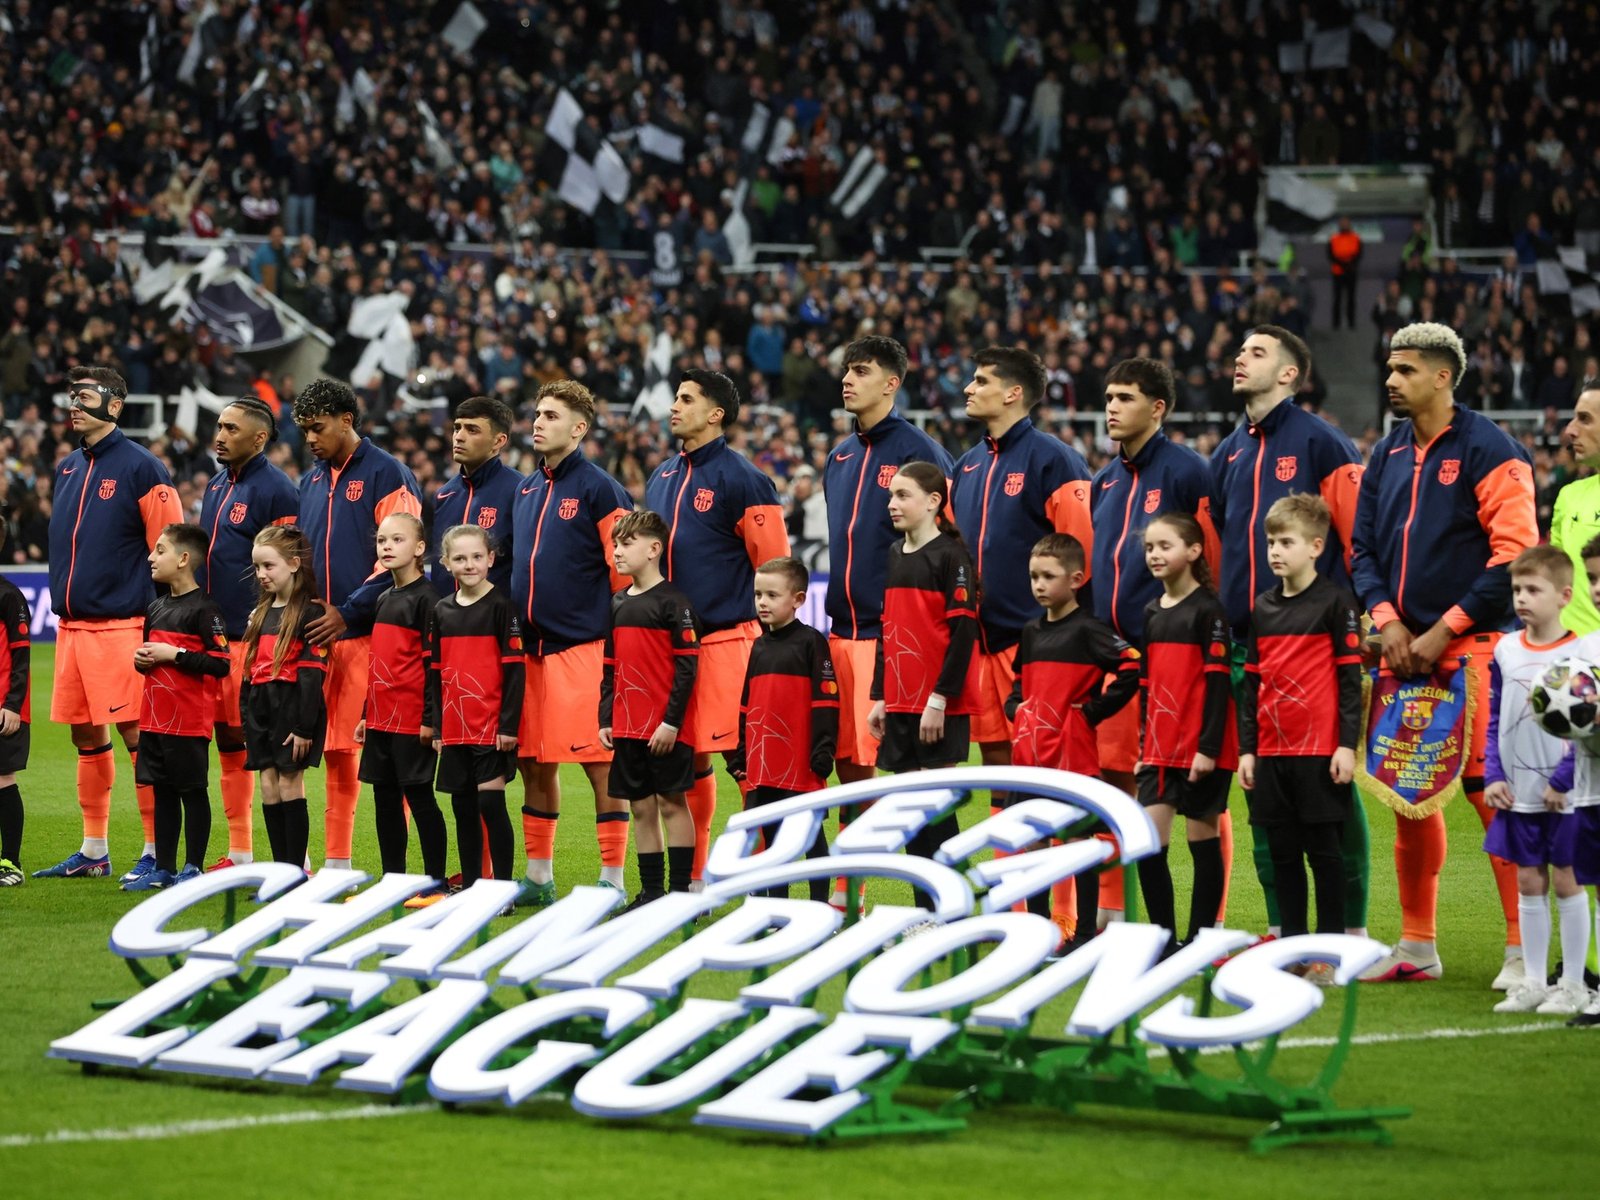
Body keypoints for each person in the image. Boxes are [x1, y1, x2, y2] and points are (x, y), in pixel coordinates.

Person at [1352, 322, 1538, 984]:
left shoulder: (1493, 449)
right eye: (1390, 369)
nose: (1392, 380)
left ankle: (1523, 950)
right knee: (1412, 791)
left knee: (1490, 793)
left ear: (1442, 376)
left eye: (1405, 370)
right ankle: (1418, 947)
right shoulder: (1386, 453)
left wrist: (1442, 630)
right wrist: (1389, 622)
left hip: (1475, 649)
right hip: (1401, 653)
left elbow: (1514, 555)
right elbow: (1363, 549)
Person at [1213, 325, 1369, 941]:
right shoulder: (1228, 452)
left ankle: (1348, 930)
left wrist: (1356, 624)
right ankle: (1282, 926)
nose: (1238, 359)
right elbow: (1225, 546)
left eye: (1255, 353)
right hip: (1249, 644)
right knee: (1263, 792)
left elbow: (1357, 540)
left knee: (1333, 792)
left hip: (1314, 643)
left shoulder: (1323, 443)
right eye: (1240, 351)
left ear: (1287, 374)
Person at [35, 368, 183, 881]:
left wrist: (163, 625)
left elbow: (171, 552)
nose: (74, 405)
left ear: (115, 406)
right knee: (85, 736)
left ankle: (151, 850)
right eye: (71, 396)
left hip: (123, 625)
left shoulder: (144, 468)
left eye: (85, 396)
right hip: (72, 627)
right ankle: (94, 850)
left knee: (139, 736)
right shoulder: (68, 467)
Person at [644, 369, 789, 887]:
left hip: (728, 642)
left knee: (747, 764)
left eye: (686, 399)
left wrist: (778, 645)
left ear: (716, 414)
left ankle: (770, 881)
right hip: (671, 647)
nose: (674, 407)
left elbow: (774, 566)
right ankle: (697, 873)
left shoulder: (745, 478)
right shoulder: (660, 477)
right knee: (685, 760)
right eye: (676, 398)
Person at [1092, 356, 1222, 931]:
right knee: (1122, 790)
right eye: (1109, 397)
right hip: (1115, 658)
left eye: (1125, 397)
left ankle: (1207, 925)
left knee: (1201, 804)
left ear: (1158, 407)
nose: (1112, 408)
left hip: (1178, 660)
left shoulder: (1188, 471)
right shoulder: (1104, 480)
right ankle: (1124, 918)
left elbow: (1210, 558)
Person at [951, 347, 1093, 802]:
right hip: (981, 642)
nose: (969, 389)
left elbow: (1081, 557)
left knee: (1047, 770)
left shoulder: (1057, 461)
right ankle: (1010, 874)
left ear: (1013, 393)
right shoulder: (966, 464)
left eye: (980, 381)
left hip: (1034, 643)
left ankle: (1060, 874)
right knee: (997, 763)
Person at [293, 379, 423, 871]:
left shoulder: (387, 474)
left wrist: (348, 609)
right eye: (304, 429)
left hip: (373, 634)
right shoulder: (312, 479)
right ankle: (338, 864)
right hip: (320, 633)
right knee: (332, 751)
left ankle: (401, 867)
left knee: (384, 753)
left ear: (347, 419)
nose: (310, 438)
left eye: (318, 427)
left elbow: (398, 559)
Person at [512, 381, 633, 905]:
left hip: (583, 651)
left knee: (600, 765)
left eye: (552, 415)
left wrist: (616, 647)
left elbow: (626, 573)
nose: (538, 422)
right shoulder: (526, 488)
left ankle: (612, 880)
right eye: (537, 413)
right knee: (534, 764)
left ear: (579, 428)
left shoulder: (601, 489)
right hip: (531, 654)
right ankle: (539, 877)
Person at [1237, 496, 1362, 981]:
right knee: (1284, 856)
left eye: (1285, 542)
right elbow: (1251, 686)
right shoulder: (1262, 608)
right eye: (1271, 541)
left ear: (1315, 546)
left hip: (1318, 752)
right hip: (1271, 753)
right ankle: (1290, 951)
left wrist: (1346, 745)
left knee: (1325, 856)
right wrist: (1248, 749)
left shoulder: (1335, 603)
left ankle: (1328, 957)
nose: (1275, 551)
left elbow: (1350, 684)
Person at [823, 336, 954, 790]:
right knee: (849, 766)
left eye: (861, 371)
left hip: (895, 637)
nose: (846, 379)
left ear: (891, 383)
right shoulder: (838, 456)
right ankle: (851, 864)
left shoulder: (922, 453)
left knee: (903, 770)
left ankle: (922, 859)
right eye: (846, 370)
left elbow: (950, 546)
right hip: (841, 632)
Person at [1004, 533, 1140, 940]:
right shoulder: (1030, 631)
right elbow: (1017, 685)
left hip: (1073, 757)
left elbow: (1132, 666)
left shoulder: (1088, 631)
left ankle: (1083, 934)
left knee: (1079, 843)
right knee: (1034, 843)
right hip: (1030, 758)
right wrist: (1017, 710)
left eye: (1049, 576)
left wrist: (1092, 712)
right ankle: (1038, 932)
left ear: (1077, 579)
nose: (1039, 585)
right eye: (1034, 577)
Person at [1482, 546, 1590, 1015]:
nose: (1522, 598)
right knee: (1528, 880)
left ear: (1564, 595)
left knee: (1567, 881)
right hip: (1518, 791)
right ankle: (1532, 981)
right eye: (1517, 590)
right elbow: (1495, 717)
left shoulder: (1584, 652)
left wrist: (1563, 780)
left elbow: (1587, 728)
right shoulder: (1505, 649)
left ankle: (1573, 984)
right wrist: (1492, 773)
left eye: (1533, 590)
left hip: (1564, 795)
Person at [868, 462, 980, 912]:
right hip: (899, 703)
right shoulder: (895, 553)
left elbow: (963, 634)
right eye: (891, 495)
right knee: (910, 815)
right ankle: (926, 911)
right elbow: (888, 629)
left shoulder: (951, 557)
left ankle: (951, 910)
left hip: (937, 706)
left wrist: (939, 698)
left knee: (935, 810)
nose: (892, 503)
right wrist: (881, 695)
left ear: (933, 502)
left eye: (903, 495)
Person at [197, 395, 299, 871]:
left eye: (231, 428)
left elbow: (289, 567)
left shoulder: (277, 490)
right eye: (219, 426)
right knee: (230, 746)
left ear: (259, 437)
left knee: (264, 750)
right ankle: (240, 851)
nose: (220, 435)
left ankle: (293, 860)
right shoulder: (218, 485)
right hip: (216, 637)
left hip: (254, 639)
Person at [1137, 513, 1238, 954]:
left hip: (1199, 750)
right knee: (1148, 845)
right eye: (1150, 548)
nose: (1156, 555)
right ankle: (1163, 940)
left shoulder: (1209, 611)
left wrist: (1209, 748)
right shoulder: (1152, 611)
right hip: (1159, 749)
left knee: (1202, 842)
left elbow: (1218, 685)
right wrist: (1144, 745)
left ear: (1194, 552)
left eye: (1165, 546)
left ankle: (1199, 942)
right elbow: (1146, 684)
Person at [599, 510, 702, 908]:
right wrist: (606, 717)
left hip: (664, 729)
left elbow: (688, 668)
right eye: (615, 545)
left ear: (654, 549)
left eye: (626, 544)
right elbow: (609, 667)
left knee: (672, 803)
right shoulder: (618, 601)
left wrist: (671, 723)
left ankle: (680, 895)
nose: (617, 553)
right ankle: (651, 893)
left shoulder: (675, 603)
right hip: (627, 726)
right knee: (641, 808)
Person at [124, 524, 232, 891]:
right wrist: (142, 661)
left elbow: (221, 662)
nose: (151, 557)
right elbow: (150, 657)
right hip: (154, 719)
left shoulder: (206, 609)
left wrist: (177, 654)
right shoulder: (155, 608)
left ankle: (193, 867)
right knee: (162, 792)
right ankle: (164, 868)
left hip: (188, 722)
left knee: (191, 792)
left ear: (184, 559)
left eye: (160, 550)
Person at [728, 556, 838, 902]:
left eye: (772, 595)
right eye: (758, 594)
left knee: (809, 835)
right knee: (772, 838)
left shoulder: (811, 643)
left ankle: (820, 906)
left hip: (800, 762)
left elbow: (826, 701)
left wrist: (822, 750)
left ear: (799, 599)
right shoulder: (758, 646)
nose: (762, 602)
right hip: (763, 763)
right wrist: (741, 751)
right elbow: (748, 703)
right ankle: (776, 908)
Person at [426, 524, 524, 902]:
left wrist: (508, 724)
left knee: (490, 803)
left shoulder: (503, 607)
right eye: (461, 558)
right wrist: (437, 727)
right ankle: (469, 887)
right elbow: (435, 673)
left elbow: (515, 671)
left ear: (491, 559)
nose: (470, 565)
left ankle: (501, 890)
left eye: (477, 557)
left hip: (491, 726)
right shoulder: (442, 610)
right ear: (447, 563)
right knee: (462, 806)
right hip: (454, 726)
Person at [353, 512, 447, 904]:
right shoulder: (383, 598)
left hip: (411, 719)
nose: (387, 547)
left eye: (397, 540)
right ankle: (394, 880)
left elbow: (433, 667)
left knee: (420, 797)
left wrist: (431, 720)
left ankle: (435, 882)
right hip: (381, 717)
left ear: (420, 548)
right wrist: (365, 712)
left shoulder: (429, 601)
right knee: (384, 798)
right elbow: (380, 661)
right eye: (382, 541)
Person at [239, 526, 328, 868]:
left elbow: (311, 676)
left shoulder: (309, 612)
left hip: (292, 709)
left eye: (268, 566)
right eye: (257, 567)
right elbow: (249, 673)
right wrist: (247, 718)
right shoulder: (260, 614)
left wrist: (305, 727)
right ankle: (280, 871)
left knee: (290, 783)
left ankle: (295, 871)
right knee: (268, 785)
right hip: (262, 710)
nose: (261, 574)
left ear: (293, 564)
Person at [430, 395, 519, 596]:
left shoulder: (521, 491)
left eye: (472, 430)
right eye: (457, 428)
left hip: (495, 622)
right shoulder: (444, 495)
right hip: (446, 620)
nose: (459, 436)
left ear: (499, 441)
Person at [1551, 386, 1600, 636]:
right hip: (1569, 663)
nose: (1570, 430)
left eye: (1585, 419)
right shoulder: (1568, 496)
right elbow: (1554, 579)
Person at [0, 520, 30, 887]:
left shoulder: (8, 596)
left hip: (4, 708)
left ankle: (11, 861)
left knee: (3, 779)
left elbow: (21, 658)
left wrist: (12, 705)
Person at [1328, 215, 1362, 330]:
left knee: (1351, 299)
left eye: (1346, 222)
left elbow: (1359, 254)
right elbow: (1330, 255)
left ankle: (1351, 324)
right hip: (1338, 272)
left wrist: (1349, 265)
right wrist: (1342, 264)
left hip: (1351, 272)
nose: (1344, 224)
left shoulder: (1355, 238)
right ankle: (1336, 326)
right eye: (1342, 222)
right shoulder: (1334, 238)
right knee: (1337, 299)